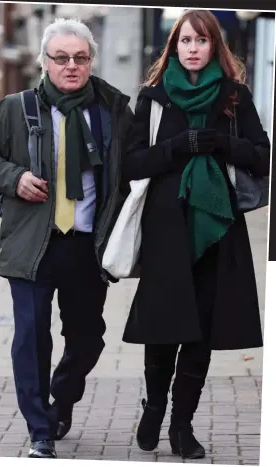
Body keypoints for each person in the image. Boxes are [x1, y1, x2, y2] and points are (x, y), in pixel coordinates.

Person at [0, 18, 133, 459]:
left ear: (90, 61)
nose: (71, 66)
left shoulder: (112, 110)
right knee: (31, 337)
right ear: (45, 62)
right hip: (31, 243)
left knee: (88, 338)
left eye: (80, 58)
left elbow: (136, 165)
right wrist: (13, 177)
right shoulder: (14, 108)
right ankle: (39, 430)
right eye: (61, 58)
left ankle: (61, 401)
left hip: (87, 244)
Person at [121, 9, 270, 460]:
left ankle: (181, 426)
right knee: (164, 327)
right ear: (173, 45)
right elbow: (130, 165)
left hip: (218, 230)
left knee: (201, 333)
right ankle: (154, 407)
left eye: (201, 41)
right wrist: (174, 148)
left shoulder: (235, 97)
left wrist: (223, 143)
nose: (192, 48)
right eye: (185, 40)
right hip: (165, 230)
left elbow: (262, 156)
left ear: (214, 47)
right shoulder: (153, 97)